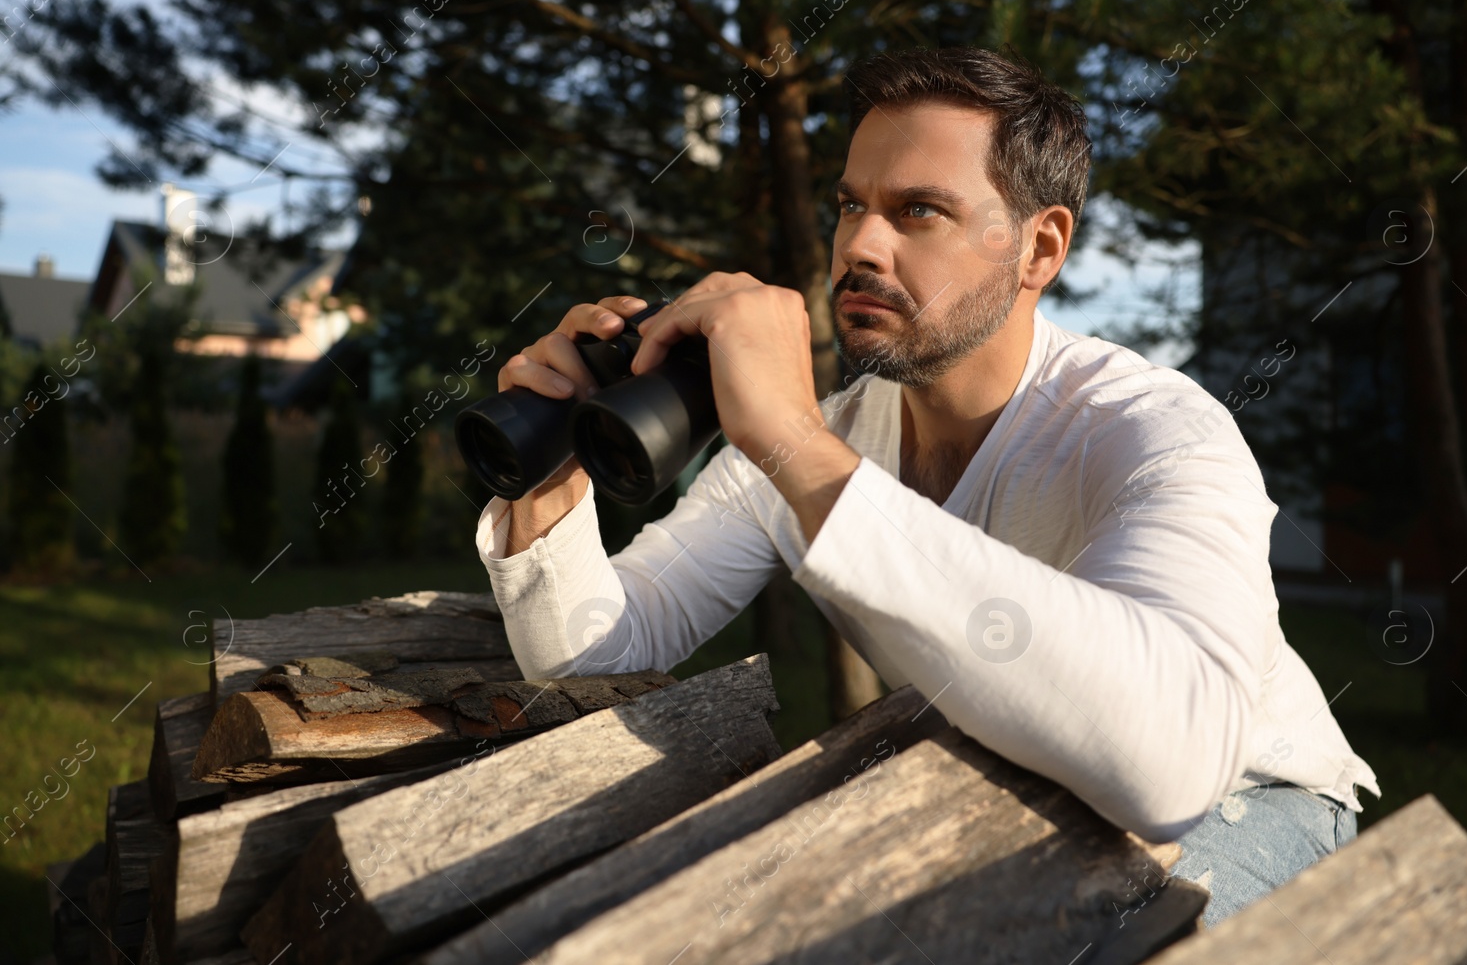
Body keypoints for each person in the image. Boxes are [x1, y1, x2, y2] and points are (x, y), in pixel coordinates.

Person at [474, 45, 1377, 926]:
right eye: (850, 204)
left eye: (919, 212)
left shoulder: (1154, 430)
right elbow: (593, 653)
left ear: (1039, 248)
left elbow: (1174, 768)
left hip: (1247, 802)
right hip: (1019, 793)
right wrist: (549, 485)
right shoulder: (813, 438)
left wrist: (795, 444)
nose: (860, 245)